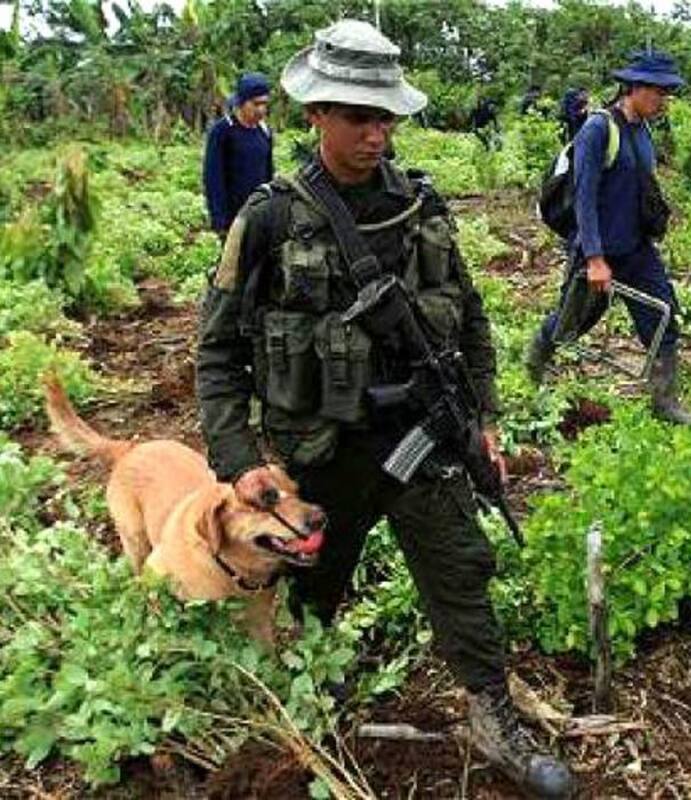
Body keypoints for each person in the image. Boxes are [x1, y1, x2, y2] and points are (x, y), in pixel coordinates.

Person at [194, 20, 572, 799]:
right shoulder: (267, 219)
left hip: (421, 441)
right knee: (311, 592)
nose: (375, 133)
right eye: (357, 117)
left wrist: (487, 415)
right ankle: (311, 701)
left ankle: (489, 711)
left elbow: (467, 318)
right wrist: (239, 464)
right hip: (317, 456)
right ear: (316, 116)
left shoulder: (424, 207)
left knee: (461, 569)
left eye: (385, 117)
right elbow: (217, 354)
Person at [524, 51, 691, 426]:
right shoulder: (598, 129)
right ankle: (534, 368)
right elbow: (584, 198)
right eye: (658, 92)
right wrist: (594, 259)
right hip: (599, 251)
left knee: (664, 317)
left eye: (667, 93)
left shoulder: (644, 131)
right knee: (571, 322)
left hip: (637, 251)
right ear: (634, 88)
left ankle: (664, 403)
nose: (663, 100)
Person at [203, 73, 274, 237]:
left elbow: (268, 173)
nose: (261, 110)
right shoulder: (223, 131)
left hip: (260, 215)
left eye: (265, 104)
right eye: (256, 104)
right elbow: (213, 178)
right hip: (232, 217)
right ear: (242, 102)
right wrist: (219, 220)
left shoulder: (264, 132)